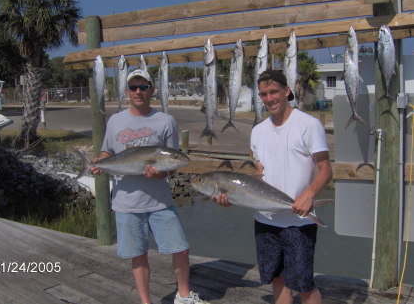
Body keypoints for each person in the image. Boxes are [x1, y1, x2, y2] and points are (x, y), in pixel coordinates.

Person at [91, 69, 209, 304]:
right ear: (127, 91)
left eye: (143, 87)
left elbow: (173, 162)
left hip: (159, 201)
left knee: (180, 248)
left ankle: (183, 296)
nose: (138, 92)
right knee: (138, 255)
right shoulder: (115, 121)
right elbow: (108, 151)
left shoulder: (166, 121)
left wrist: (161, 172)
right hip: (126, 202)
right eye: (133, 87)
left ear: (152, 90)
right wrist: (99, 163)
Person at [215, 70, 332, 304]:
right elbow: (261, 175)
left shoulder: (308, 125)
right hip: (265, 221)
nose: (269, 98)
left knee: (303, 285)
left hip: (299, 221)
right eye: (263, 94)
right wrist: (232, 197)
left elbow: (326, 169)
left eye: (274, 92)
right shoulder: (258, 131)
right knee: (276, 280)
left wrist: (309, 194)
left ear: (286, 91)